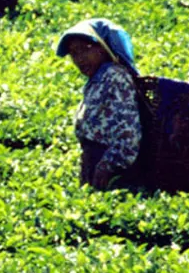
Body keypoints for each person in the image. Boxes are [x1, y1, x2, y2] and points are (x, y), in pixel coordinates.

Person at [57, 18, 141, 190]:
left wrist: (107, 166)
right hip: (97, 169)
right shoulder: (98, 79)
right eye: (74, 53)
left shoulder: (115, 77)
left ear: (104, 48)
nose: (79, 59)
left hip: (115, 175)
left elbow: (129, 134)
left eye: (84, 50)